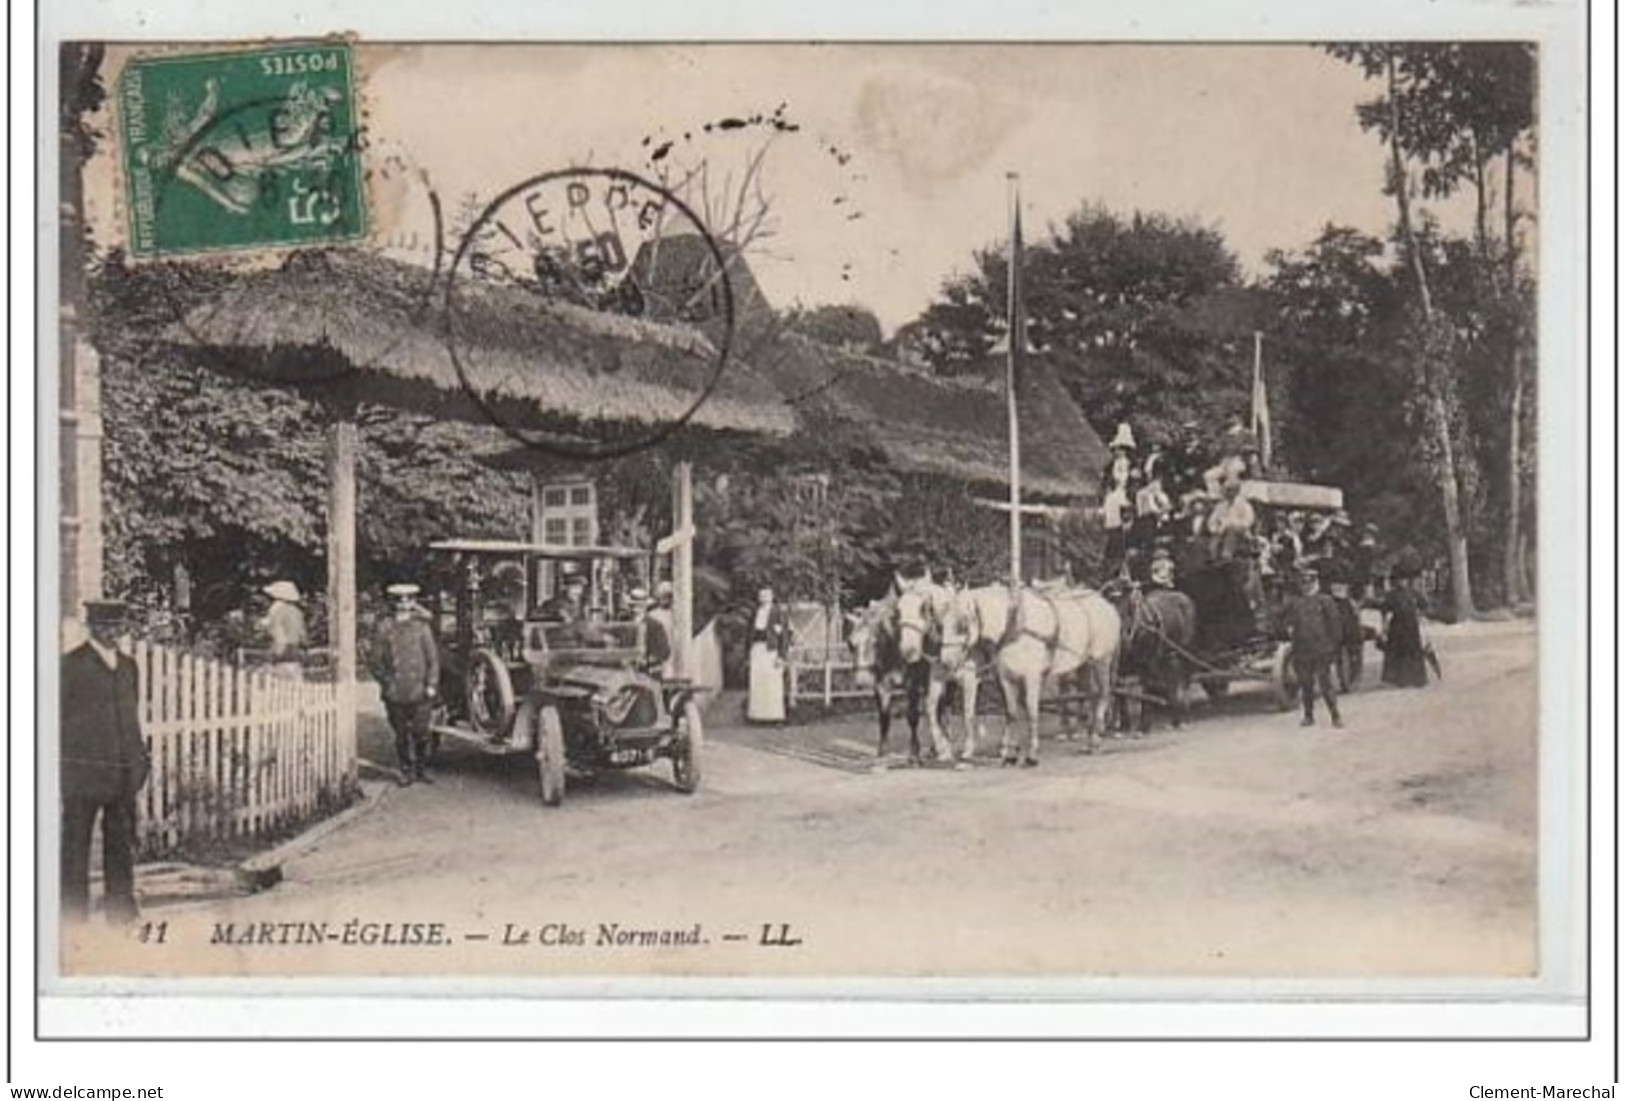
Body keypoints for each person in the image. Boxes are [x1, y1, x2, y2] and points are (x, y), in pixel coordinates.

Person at [61, 600, 152, 925]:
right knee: (74, 847)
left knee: (120, 845)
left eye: (120, 625)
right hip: (83, 772)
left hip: (121, 771)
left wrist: (138, 760)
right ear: (93, 627)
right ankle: (71, 915)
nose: (115, 632)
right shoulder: (71, 666)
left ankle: (122, 912)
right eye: (108, 626)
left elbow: (131, 718)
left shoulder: (128, 666)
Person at [368, 583, 441, 785]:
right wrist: (386, 681)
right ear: (394, 603)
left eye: (408, 600)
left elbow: (432, 660)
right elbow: (375, 661)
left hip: (420, 690)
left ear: (413, 602)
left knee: (421, 732)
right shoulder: (385, 628)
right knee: (401, 733)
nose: (404, 604)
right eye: (399, 600)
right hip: (395, 691)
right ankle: (405, 770)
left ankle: (421, 769)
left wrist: (431, 684)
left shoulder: (422, 628)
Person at [1281, 567, 1345, 728]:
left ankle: (1335, 716)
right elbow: (1285, 621)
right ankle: (1308, 716)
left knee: (1325, 684)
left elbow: (1335, 626)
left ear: (1316, 583)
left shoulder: (1325, 601)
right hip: (1302, 650)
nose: (1306, 586)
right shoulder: (1296, 603)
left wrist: (1333, 647)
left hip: (1322, 649)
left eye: (1309, 582)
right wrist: (1287, 629)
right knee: (1305, 684)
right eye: (1303, 583)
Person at [1377, 566, 1431, 688]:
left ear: (1407, 580)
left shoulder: (1413, 593)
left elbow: (1424, 605)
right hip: (1397, 626)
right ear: (1395, 581)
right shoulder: (1392, 595)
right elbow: (1384, 610)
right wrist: (1384, 625)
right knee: (1399, 653)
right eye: (1399, 580)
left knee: (1413, 652)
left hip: (1411, 626)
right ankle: (1400, 678)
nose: (1402, 582)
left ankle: (1417, 678)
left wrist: (1421, 612)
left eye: (1404, 579)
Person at [746, 586, 791, 724]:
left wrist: (782, 656)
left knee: (773, 683)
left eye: (766, 595)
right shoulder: (755, 612)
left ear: (772, 597)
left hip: (771, 651)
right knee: (757, 682)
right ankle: (757, 716)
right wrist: (747, 652)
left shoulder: (778, 612)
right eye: (761, 595)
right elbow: (749, 633)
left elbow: (784, 635)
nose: (763, 598)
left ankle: (775, 717)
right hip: (757, 649)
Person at [258, 580, 307, 678]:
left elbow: (278, 634)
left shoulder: (276, 609)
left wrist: (274, 656)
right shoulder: (297, 612)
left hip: (281, 653)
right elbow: (303, 636)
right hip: (295, 653)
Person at [635, 584, 676, 678]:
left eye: (639, 605)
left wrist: (649, 660)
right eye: (633, 605)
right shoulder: (627, 623)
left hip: (652, 670)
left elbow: (664, 651)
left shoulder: (655, 622)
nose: (636, 609)